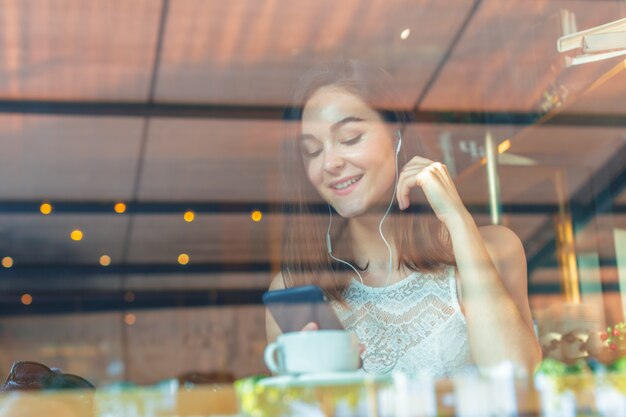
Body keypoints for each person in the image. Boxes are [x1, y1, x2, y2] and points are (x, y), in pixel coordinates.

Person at [266, 59, 541, 378]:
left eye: (350, 138)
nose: (330, 163)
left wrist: (457, 219)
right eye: (312, 151)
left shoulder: (494, 248)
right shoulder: (294, 286)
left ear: (396, 135)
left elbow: (519, 379)